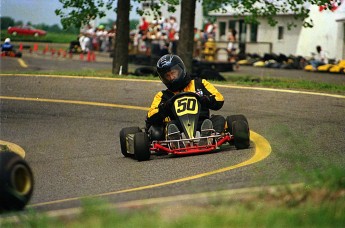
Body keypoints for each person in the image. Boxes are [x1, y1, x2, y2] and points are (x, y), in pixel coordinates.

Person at [146, 54, 226, 147]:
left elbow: (219, 99)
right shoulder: (163, 95)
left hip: (202, 122)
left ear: (181, 70)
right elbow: (150, 116)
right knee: (169, 126)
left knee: (219, 119)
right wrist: (165, 107)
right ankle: (176, 141)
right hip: (178, 126)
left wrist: (205, 99)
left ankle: (209, 137)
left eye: (173, 73)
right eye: (167, 76)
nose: (171, 78)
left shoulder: (200, 84)